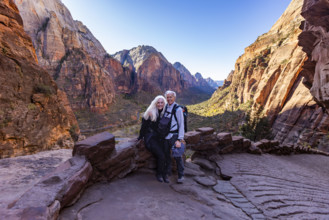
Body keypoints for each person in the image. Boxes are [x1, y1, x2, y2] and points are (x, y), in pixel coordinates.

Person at [138, 95, 167, 182]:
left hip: (159, 137)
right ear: (155, 103)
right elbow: (144, 126)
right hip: (150, 137)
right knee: (161, 155)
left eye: (162, 102)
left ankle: (164, 173)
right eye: (158, 102)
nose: (160, 104)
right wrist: (140, 137)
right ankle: (159, 174)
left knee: (166, 153)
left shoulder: (164, 112)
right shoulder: (151, 112)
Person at [163, 90, 185, 183]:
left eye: (171, 97)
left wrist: (180, 139)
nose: (169, 99)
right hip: (166, 136)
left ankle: (180, 175)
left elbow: (181, 125)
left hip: (174, 136)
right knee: (166, 156)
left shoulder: (178, 109)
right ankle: (168, 173)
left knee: (177, 156)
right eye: (167, 97)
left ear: (174, 98)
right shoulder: (165, 107)